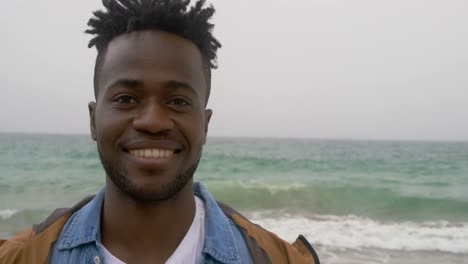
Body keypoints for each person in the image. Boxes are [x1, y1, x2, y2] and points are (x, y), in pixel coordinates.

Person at [0, 0, 320, 263]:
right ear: (94, 119)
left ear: (205, 124)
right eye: (126, 99)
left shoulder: (276, 259)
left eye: (178, 101)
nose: (152, 121)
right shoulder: (23, 257)